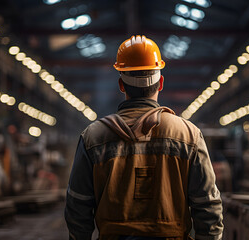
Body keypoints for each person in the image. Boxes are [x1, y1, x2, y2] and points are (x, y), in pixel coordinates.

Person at [65, 35, 223, 240]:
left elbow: (78, 208)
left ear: (122, 85)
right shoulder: (188, 135)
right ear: (161, 83)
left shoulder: (93, 137)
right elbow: (208, 208)